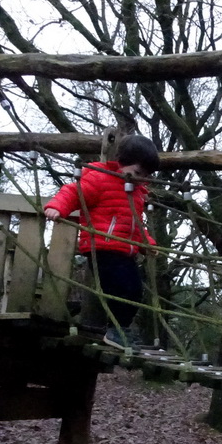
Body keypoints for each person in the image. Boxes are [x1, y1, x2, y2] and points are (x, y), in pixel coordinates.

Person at [44, 134, 159, 350]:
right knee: (119, 289)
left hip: (125, 250)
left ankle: (119, 329)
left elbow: (134, 224)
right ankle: (116, 330)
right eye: (136, 173)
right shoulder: (100, 179)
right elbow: (73, 192)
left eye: (145, 176)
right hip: (103, 246)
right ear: (121, 163)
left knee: (134, 291)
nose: (140, 180)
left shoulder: (137, 193)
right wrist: (57, 207)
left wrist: (147, 243)